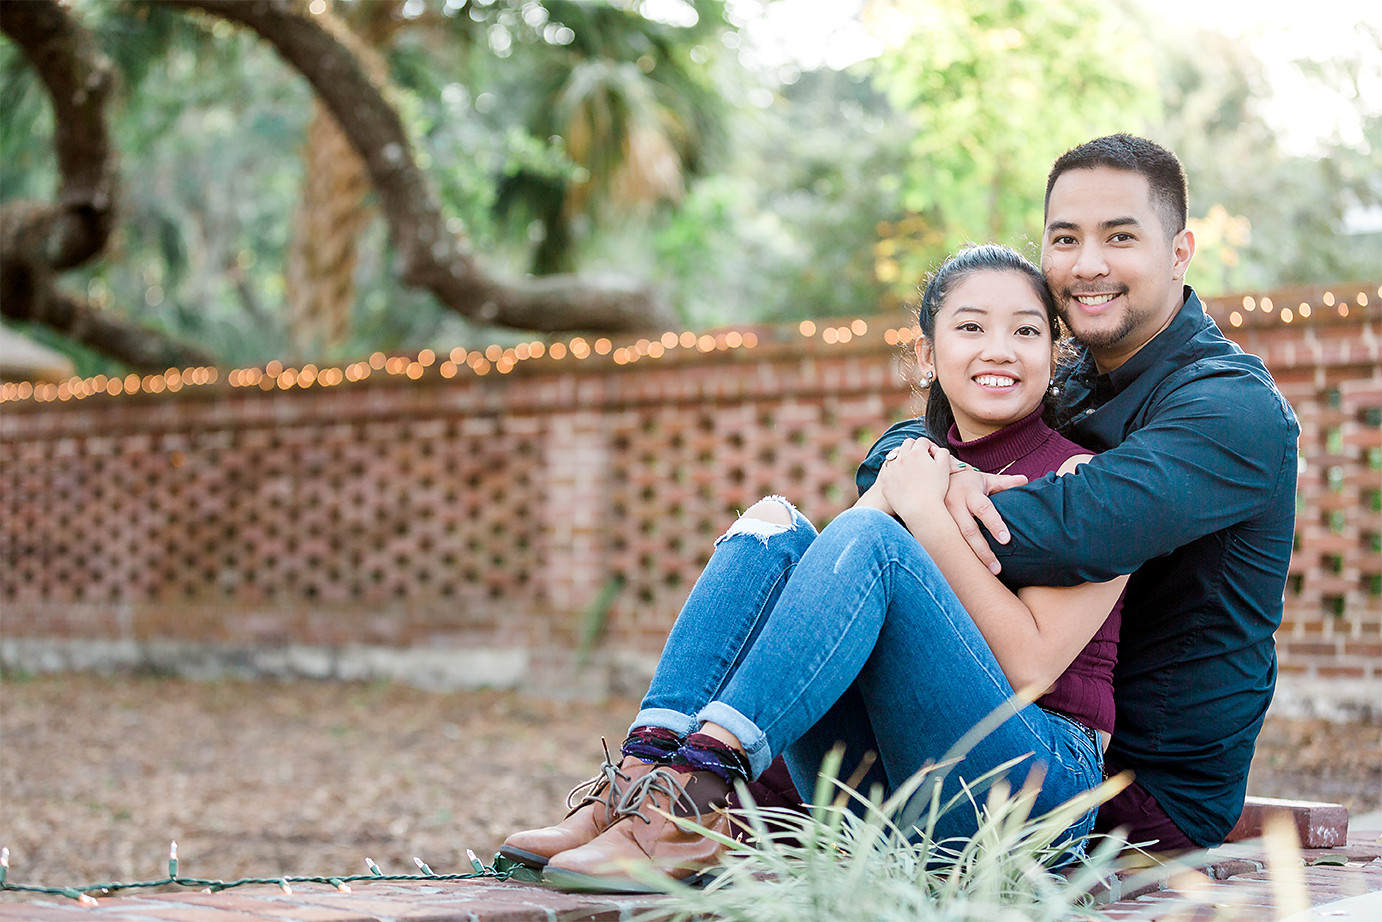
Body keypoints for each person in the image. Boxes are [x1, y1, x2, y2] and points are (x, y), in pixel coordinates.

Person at [499, 244, 1128, 892]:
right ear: (928, 356)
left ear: (1056, 354)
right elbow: (819, 643)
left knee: (867, 534)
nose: (999, 349)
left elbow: (1031, 667)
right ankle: (644, 786)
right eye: (970, 327)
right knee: (770, 526)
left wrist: (919, 512)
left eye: (1026, 330)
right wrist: (897, 491)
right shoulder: (909, 462)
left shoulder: (1089, 481)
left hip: (1033, 798)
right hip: (887, 797)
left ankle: (690, 801)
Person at [860, 135, 1299, 851]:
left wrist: (915, 498)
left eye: (1119, 237)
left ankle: (695, 795)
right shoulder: (1062, 379)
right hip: (1020, 727)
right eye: (1065, 238)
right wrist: (921, 473)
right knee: (777, 536)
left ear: (1181, 251)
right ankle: (662, 789)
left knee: (863, 550)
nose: (1087, 264)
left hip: (1141, 796)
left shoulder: (1231, 408)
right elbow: (910, 443)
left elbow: (1067, 530)